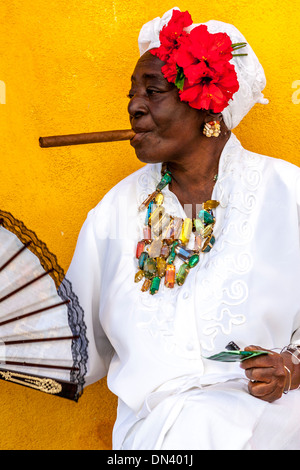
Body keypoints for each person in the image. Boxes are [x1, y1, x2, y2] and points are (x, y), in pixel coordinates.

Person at [67, 7, 300, 450]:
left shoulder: (288, 193)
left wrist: (292, 367)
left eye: (153, 91)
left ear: (207, 105)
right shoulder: (115, 212)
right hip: (152, 438)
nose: (134, 106)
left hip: (272, 426)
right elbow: (76, 345)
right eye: (133, 92)